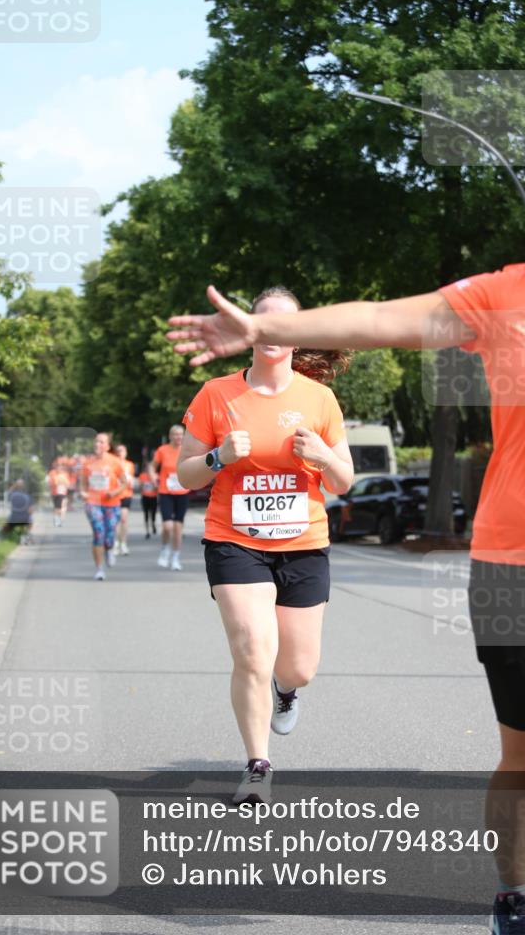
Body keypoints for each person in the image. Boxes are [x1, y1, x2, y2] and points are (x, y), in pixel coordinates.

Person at [168, 117, 525, 932]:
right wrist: (268, 328)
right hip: (518, 564)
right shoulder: (504, 295)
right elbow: (378, 319)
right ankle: (513, 894)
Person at [176, 286, 354, 805]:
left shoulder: (319, 398)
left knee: (297, 665)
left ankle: (287, 690)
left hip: (303, 543)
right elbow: (186, 474)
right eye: (264, 323)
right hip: (235, 541)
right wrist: (218, 458)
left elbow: (344, 481)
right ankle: (257, 765)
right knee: (253, 650)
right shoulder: (216, 394)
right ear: (249, 330)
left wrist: (322, 454)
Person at [80, 432, 128, 580]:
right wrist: (83, 493)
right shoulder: (87, 463)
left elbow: (124, 483)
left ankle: (109, 549)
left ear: (107, 446)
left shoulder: (115, 462)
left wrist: (114, 493)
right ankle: (99, 569)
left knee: (109, 535)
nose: (97, 445)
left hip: (112, 504)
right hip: (93, 503)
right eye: (96, 442)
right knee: (98, 533)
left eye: (101, 442)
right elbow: (82, 485)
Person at [152, 425, 191, 570]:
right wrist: (152, 477)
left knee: (178, 527)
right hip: (165, 491)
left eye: (181, 434)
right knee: (167, 526)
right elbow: (152, 466)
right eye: (175, 434)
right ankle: (165, 549)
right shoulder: (162, 450)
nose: (178, 437)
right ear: (170, 436)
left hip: (182, 492)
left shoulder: (187, 451)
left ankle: (175, 557)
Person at [113, 444, 135, 556]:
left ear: (126, 453)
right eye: (118, 451)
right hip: (114, 495)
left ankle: (123, 543)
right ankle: (116, 543)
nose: (120, 453)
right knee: (116, 520)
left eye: (122, 451)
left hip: (126, 493)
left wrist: (130, 481)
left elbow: (131, 479)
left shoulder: (130, 465)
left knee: (124, 519)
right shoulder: (112, 464)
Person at [138, 457, 159, 539]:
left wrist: (155, 486)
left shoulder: (156, 476)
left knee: (153, 514)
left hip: (153, 497)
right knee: (146, 514)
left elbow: (158, 487)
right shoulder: (142, 476)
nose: (149, 469)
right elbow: (140, 488)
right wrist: (142, 486)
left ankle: (153, 523)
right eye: (147, 467)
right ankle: (147, 531)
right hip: (145, 497)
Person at [47, 460, 69, 527]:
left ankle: (58, 520)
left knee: (60, 507)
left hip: (62, 492)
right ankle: (57, 519)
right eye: (58, 466)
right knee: (56, 507)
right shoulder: (52, 473)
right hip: (55, 492)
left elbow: (67, 483)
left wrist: (63, 483)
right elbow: (51, 482)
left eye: (61, 466)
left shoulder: (64, 473)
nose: (59, 468)